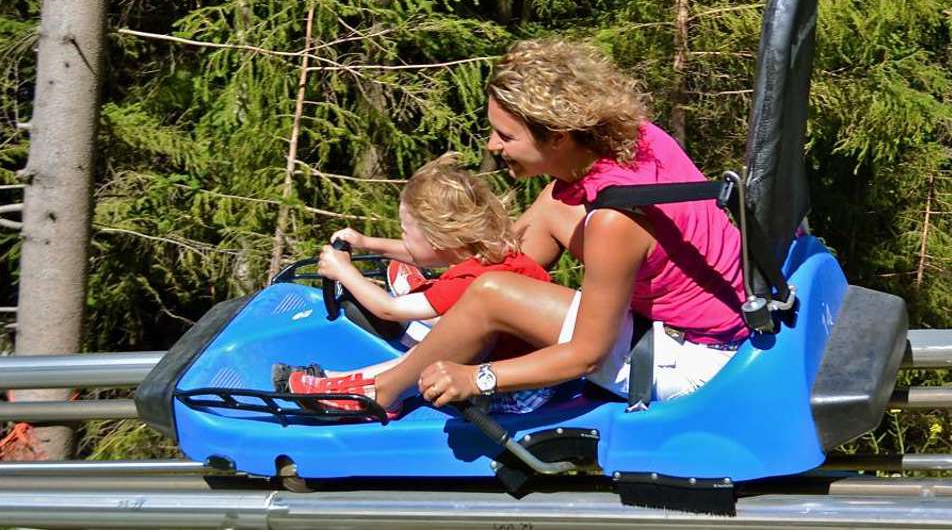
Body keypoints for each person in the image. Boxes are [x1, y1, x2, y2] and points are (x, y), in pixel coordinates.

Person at [303, 38, 750, 414]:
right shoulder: (637, 138)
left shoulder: (615, 219)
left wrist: (478, 377)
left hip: (699, 364)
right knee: (552, 204)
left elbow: (587, 354)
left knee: (492, 292)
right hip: (716, 324)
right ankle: (457, 302)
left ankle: (386, 390)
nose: (493, 145)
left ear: (558, 135)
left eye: (507, 136)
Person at [275, 153, 557, 416]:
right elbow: (428, 254)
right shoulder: (494, 254)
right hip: (537, 375)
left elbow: (388, 309)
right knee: (433, 341)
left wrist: (344, 270)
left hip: (512, 393)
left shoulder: (470, 283)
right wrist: (367, 243)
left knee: (424, 354)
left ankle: (363, 392)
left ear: (436, 238)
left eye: (405, 232)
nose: (403, 237)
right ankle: (337, 379)